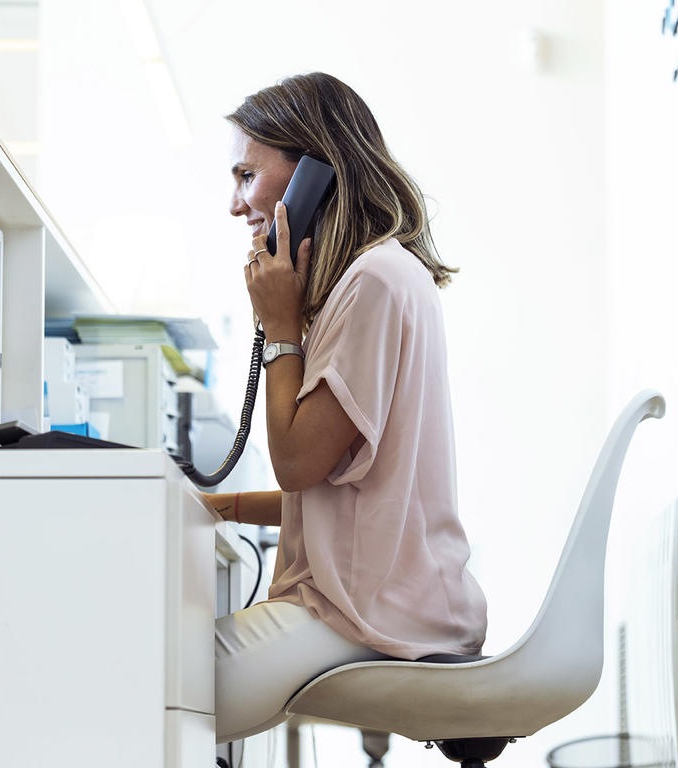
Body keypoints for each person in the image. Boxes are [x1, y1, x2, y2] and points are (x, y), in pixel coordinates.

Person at [204, 72, 487, 745]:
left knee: (146, 684)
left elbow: (300, 462)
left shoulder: (373, 283)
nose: (235, 203)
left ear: (314, 175)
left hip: (363, 617)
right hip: (373, 604)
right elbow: (349, 494)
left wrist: (279, 331)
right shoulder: (370, 282)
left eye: (247, 175)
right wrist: (217, 509)